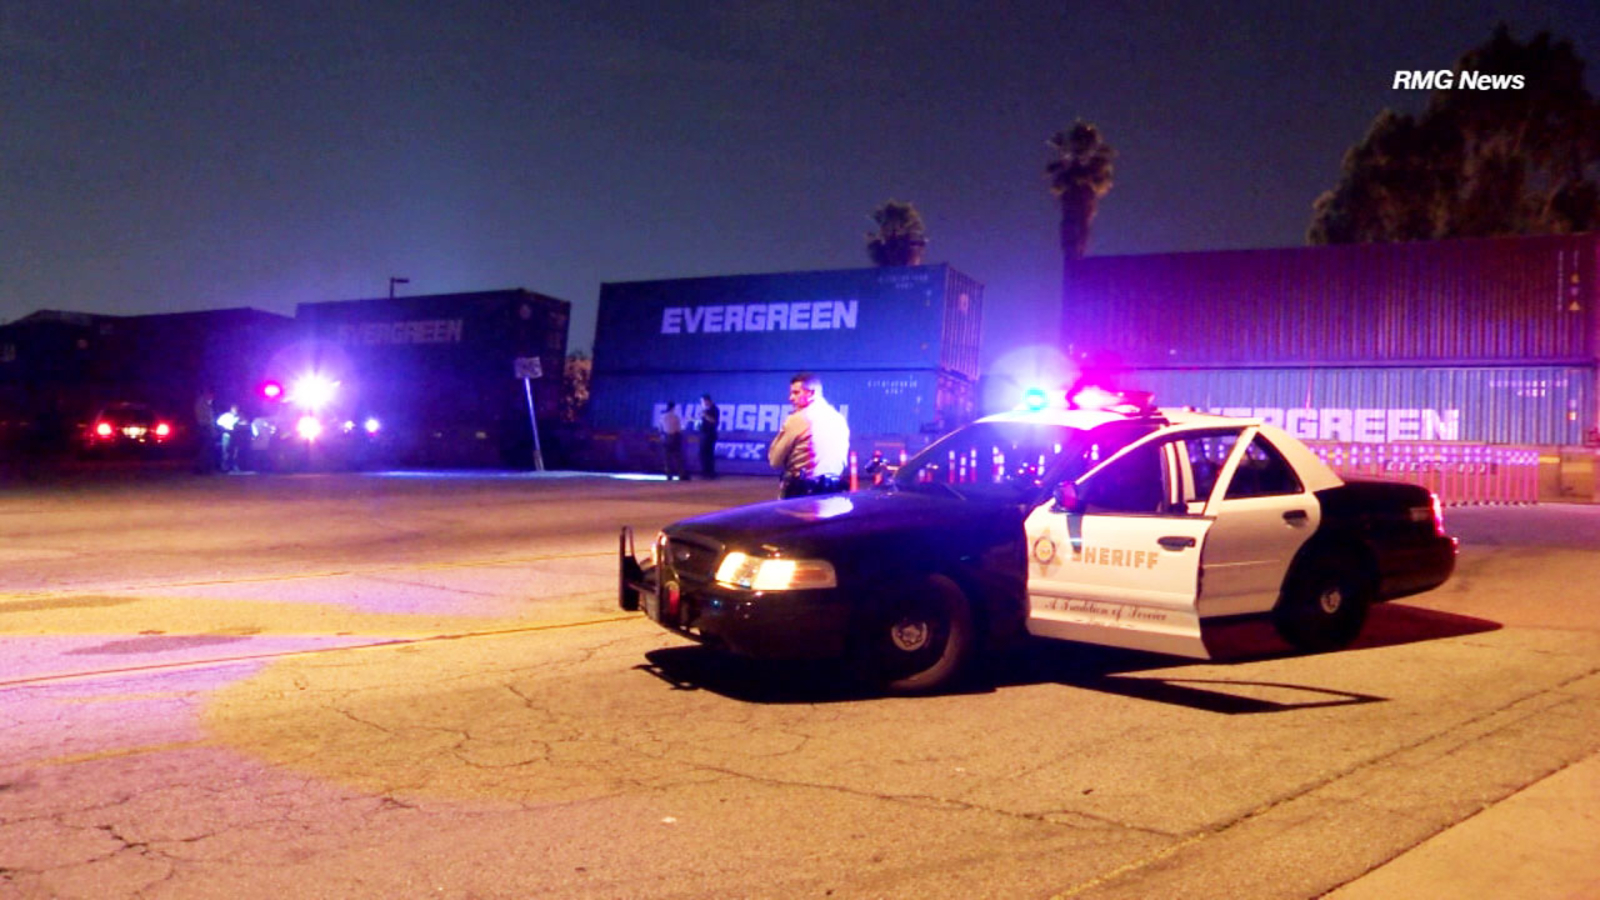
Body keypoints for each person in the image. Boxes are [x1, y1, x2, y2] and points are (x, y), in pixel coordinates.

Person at [768, 372, 850, 499]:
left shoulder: (798, 419)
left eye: (796, 393)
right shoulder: (839, 419)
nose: (790, 398)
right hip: (833, 494)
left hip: (802, 496)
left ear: (811, 393)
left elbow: (774, 460)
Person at [660, 401, 688, 481]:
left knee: (667, 458)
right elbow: (678, 429)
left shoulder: (662, 416)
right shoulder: (676, 417)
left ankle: (669, 475)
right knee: (678, 457)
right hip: (675, 437)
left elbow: (660, 428)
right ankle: (681, 474)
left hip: (666, 437)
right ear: (673, 408)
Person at [192, 388, 218, 473]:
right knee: (204, 449)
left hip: (206, 428)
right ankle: (201, 468)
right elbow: (203, 418)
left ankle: (204, 468)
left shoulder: (206, 404)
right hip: (204, 428)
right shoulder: (202, 403)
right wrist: (209, 427)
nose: (212, 398)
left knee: (206, 449)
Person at [697, 394, 719, 479]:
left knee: (709, 454)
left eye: (702, 401)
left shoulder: (714, 409)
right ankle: (705, 472)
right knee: (703, 454)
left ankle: (710, 473)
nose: (702, 403)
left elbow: (714, 421)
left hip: (710, 434)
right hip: (704, 433)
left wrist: (705, 415)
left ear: (707, 401)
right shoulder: (705, 410)